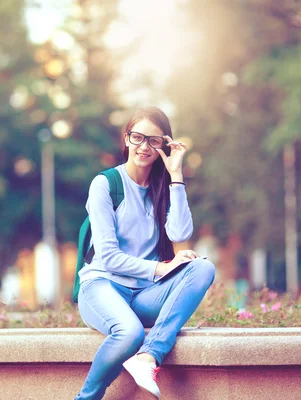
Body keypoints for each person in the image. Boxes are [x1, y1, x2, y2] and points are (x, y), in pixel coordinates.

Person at [74, 107, 216, 399]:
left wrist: (176, 175)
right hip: (102, 287)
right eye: (137, 137)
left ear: (163, 145)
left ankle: (149, 357)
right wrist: (161, 269)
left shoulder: (161, 187)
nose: (144, 146)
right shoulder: (106, 185)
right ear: (126, 139)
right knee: (129, 333)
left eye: (153, 141)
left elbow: (180, 234)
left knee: (202, 268)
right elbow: (109, 257)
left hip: (142, 295)